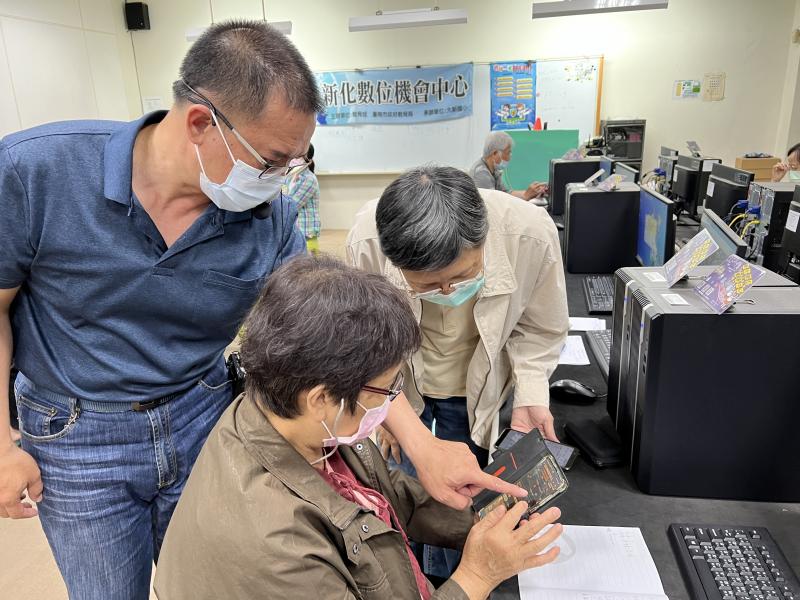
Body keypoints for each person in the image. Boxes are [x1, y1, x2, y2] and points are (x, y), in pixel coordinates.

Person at [0, 20, 528, 599]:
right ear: (201, 123)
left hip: (201, 412)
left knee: (214, 571)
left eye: (296, 162)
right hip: (79, 430)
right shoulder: (36, 173)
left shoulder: (267, 222)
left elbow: (338, 346)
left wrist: (422, 447)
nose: (283, 180)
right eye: (273, 160)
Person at [154, 255, 563, 600]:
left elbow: (377, 496)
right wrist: (476, 576)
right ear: (321, 398)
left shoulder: (291, 417)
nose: (391, 403)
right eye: (386, 389)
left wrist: (479, 521)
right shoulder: (277, 548)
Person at [347, 165, 569, 578]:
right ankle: (420, 575)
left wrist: (532, 393)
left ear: (483, 239)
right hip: (403, 379)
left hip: (474, 382)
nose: (448, 293)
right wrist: (389, 411)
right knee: (407, 485)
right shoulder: (367, 243)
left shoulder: (529, 233)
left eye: (462, 277)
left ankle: (452, 575)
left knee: (465, 491)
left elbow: (541, 327)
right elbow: (364, 346)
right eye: (429, 286)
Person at [469, 131, 548, 205]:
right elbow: (494, 204)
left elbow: (506, 193)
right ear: (494, 153)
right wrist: (526, 196)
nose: (510, 156)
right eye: (508, 152)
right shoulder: (481, 173)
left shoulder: (494, 170)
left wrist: (531, 193)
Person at [285, 142, 322, 253]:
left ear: (308, 160)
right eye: (293, 154)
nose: (294, 159)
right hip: (296, 231)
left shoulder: (308, 179)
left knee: (310, 268)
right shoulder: (289, 176)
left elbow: (292, 204)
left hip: (307, 233)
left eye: (299, 156)